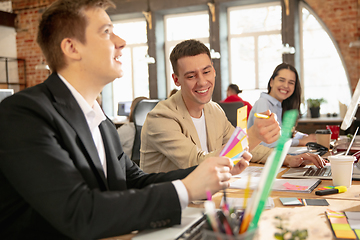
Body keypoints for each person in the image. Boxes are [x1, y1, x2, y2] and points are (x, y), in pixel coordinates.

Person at [0, 1, 251, 239]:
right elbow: (78, 212)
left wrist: (208, 172)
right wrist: (185, 190)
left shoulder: (100, 120)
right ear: (71, 48)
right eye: (107, 32)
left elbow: (135, 182)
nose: (121, 42)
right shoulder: (24, 114)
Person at [140, 39, 281, 173]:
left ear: (213, 71)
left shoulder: (214, 110)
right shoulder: (160, 118)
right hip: (171, 197)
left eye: (206, 72)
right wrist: (254, 134)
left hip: (206, 193)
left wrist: (286, 158)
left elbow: (239, 144)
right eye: (191, 76)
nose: (202, 82)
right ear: (176, 80)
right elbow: (197, 163)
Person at [247, 63, 325, 168]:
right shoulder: (263, 103)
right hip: (260, 163)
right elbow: (267, 142)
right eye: (281, 80)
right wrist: (300, 141)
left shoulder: (279, 105)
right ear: (271, 82)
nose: (286, 86)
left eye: (291, 82)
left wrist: (304, 136)